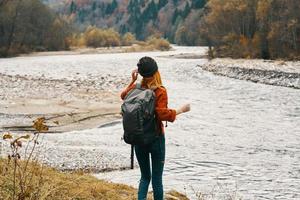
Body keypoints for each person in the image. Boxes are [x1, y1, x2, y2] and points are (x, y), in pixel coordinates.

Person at [120, 56, 190, 200]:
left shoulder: (136, 88)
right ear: (156, 71)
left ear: (141, 73)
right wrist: (181, 110)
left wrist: (133, 80)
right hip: (156, 139)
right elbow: (162, 114)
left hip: (138, 139)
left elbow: (123, 96)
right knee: (157, 179)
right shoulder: (160, 91)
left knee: (145, 177)